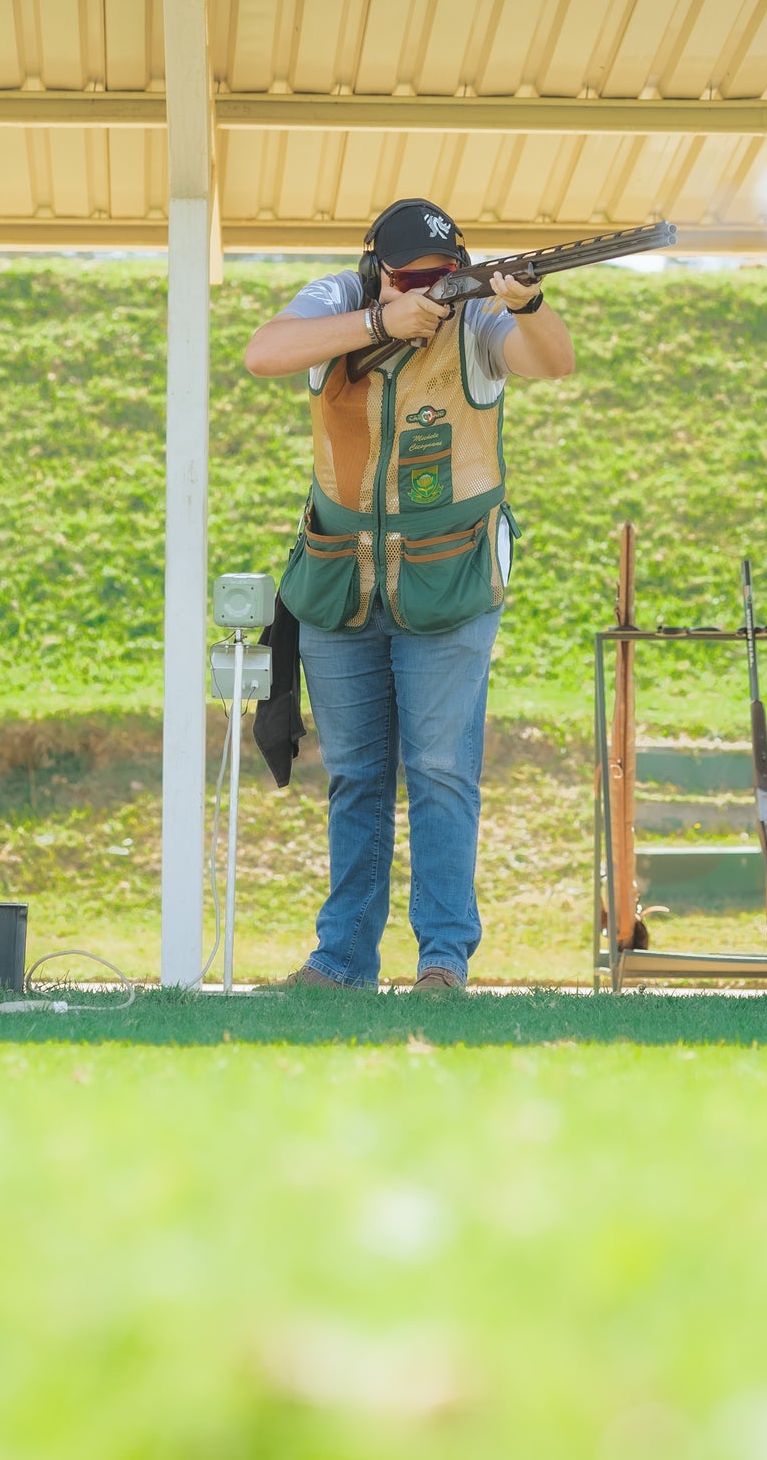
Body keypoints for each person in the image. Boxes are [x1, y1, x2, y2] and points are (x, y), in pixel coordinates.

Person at [243, 198, 575, 993]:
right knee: (356, 774)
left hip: (449, 581)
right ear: (378, 273)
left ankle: (442, 959)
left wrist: (526, 301)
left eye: (440, 273)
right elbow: (264, 352)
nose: (431, 287)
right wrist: (381, 323)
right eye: (411, 277)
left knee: (439, 772)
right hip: (340, 582)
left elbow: (552, 361)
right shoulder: (337, 300)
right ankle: (343, 957)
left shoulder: (481, 313)